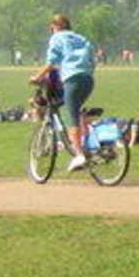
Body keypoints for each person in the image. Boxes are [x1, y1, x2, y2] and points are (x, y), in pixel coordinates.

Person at [42, 13, 97, 172]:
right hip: (88, 79)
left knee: (70, 117)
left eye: (52, 28)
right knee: (77, 111)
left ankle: (79, 155)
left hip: (72, 79)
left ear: (55, 26)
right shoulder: (80, 38)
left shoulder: (57, 37)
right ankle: (87, 144)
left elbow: (52, 62)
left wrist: (37, 76)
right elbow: (92, 58)